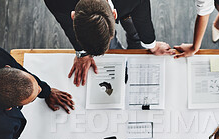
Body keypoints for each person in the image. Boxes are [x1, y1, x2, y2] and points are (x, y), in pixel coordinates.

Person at [44, 0, 175, 87]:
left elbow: (143, 16)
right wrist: (83, 53)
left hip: (129, 6)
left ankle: (135, 41)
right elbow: (66, 23)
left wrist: (150, 45)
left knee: (135, 30)